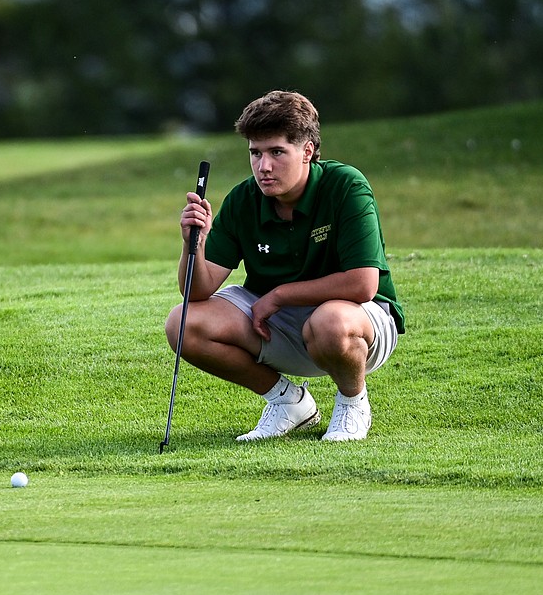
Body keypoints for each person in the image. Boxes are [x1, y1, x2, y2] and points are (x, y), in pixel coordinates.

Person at [165, 90, 404, 442]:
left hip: (358, 323)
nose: (264, 166)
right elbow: (195, 291)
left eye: (277, 152)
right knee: (182, 323)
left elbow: (363, 284)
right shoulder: (244, 199)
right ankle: (287, 401)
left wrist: (279, 295)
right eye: (255, 153)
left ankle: (353, 402)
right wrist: (192, 243)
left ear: (307, 151)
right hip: (276, 327)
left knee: (330, 321)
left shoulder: (346, 186)